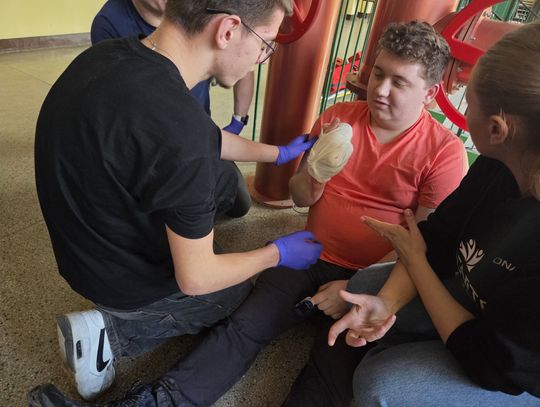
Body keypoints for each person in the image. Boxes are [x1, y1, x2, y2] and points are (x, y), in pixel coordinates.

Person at [29, 21, 467, 407]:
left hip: (375, 277)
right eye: (378, 73)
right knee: (240, 329)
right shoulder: (338, 118)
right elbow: (300, 198)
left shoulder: (443, 153)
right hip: (309, 252)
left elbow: (420, 249)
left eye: (399, 82)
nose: (380, 90)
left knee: (330, 368)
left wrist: (358, 286)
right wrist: (312, 177)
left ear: (430, 94)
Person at [28, 0, 323, 405]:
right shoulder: (179, 132)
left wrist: (278, 154)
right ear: (228, 30)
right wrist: (277, 252)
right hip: (115, 279)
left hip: (80, 245)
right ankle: (110, 332)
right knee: (234, 293)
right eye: (265, 44)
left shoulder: (111, 55)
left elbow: (204, 136)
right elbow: (197, 279)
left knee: (221, 186)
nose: (261, 57)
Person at [328, 20, 540, 407]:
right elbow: (439, 236)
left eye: (468, 101)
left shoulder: (449, 150)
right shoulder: (501, 160)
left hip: (510, 365)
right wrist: (388, 303)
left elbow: (492, 363)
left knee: (380, 385)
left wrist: (413, 261)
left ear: (497, 129)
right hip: (477, 298)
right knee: (364, 289)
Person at [91, 0, 256, 217]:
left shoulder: (198, 6)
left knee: (237, 200)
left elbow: (243, 59)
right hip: (150, 139)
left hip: (196, 131)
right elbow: (121, 108)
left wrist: (238, 121)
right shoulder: (110, 22)